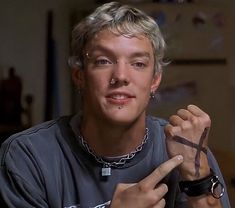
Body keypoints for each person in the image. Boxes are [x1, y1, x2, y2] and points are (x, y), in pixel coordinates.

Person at [0, 2, 231, 208]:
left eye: (138, 63)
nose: (120, 75)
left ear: (155, 80)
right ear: (79, 75)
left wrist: (196, 177)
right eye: (103, 61)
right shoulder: (27, 156)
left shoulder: (188, 148)